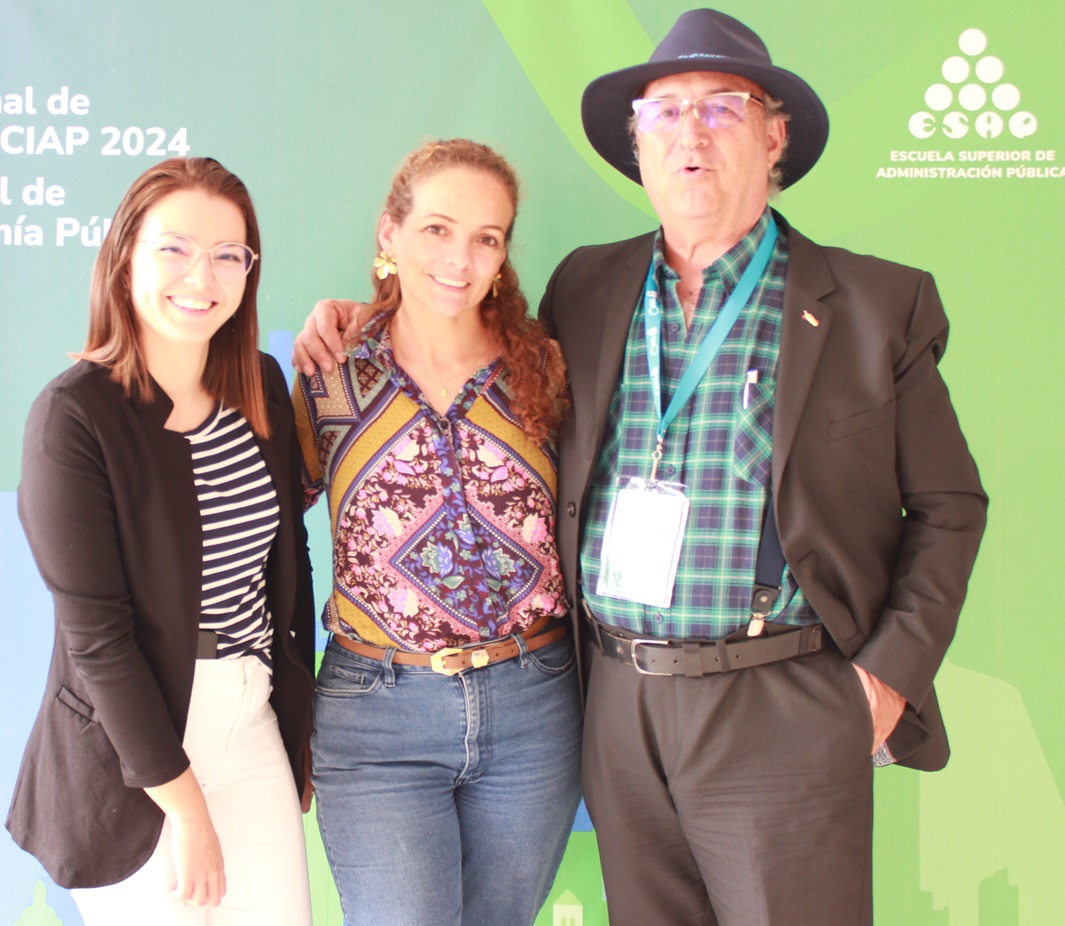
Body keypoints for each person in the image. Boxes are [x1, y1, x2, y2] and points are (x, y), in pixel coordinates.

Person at [293, 11, 988, 924]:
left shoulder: (870, 303)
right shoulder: (588, 287)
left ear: (775, 135)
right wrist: (357, 313)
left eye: (721, 108)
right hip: (616, 703)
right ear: (636, 146)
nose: (689, 134)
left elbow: (948, 505)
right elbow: (445, 324)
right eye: (663, 114)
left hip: (781, 696)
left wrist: (883, 682)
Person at [7, 157, 317, 926]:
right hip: (132, 755)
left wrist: (296, 725)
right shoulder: (73, 417)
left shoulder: (263, 385)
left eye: (227, 254)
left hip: (250, 723)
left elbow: (290, 566)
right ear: (124, 259)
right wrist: (184, 808)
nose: (200, 275)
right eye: (173, 248)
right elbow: (98, 643)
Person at [291, 139, 582, 926]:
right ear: (389, 235)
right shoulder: (329, 372)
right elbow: (268, 530)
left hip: (535, 704)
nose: (460, 257)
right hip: (377, 709)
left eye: (487, 238)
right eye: (436, 230)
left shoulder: (547, 371)